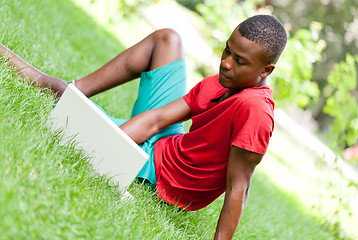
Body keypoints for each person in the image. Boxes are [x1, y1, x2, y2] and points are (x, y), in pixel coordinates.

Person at [0, 14, 287, 239]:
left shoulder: (256, 111)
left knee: (56, 98)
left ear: (265, 71)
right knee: (167, 40)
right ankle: (75, 91)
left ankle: (65, 94)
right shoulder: (226, 80)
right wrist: (111, 144)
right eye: (227, 51)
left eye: (239, 61)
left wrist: (107, 143)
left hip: (163, 174)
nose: (225, 64)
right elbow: (159, 119)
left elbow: (239, 186)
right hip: (165, 144)